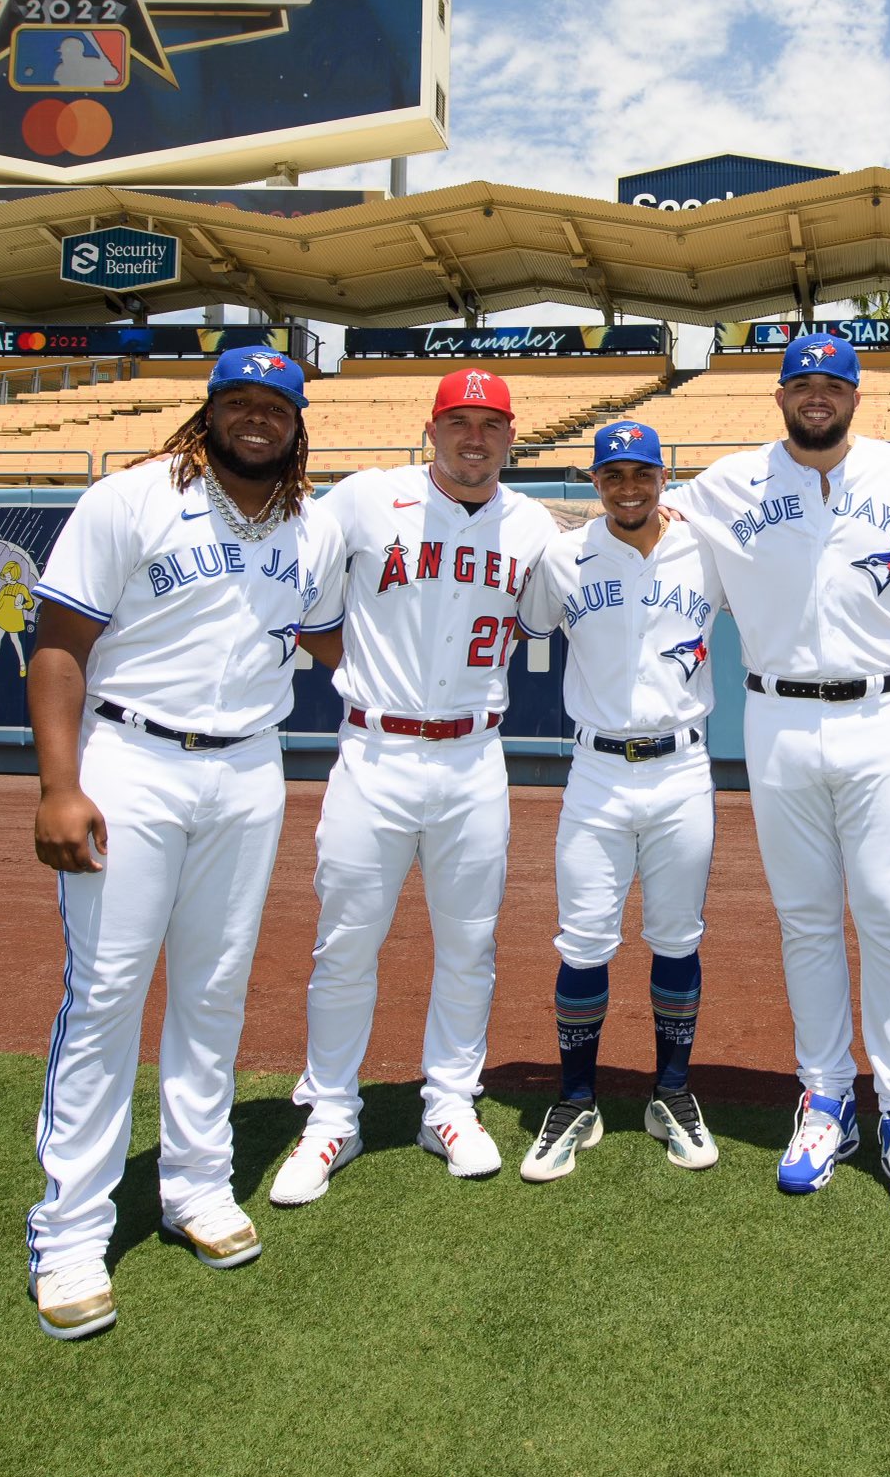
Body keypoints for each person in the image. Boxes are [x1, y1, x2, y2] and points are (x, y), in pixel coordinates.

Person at [20, 347, 339, 1341]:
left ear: (294, 420)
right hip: (132, 756)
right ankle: (69, 1231)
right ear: (209, 412)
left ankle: (197, 1184)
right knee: (108, 988)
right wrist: (60, 785)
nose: (257, 418)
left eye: (274, 405)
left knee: (214, 983)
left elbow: (334, 640)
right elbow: (59, 643)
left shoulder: (313, 525)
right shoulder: (132, 497)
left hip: (249, 765)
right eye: (237, 402)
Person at [669, 332, 890, 1224]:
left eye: (833, 383)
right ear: (781, 396)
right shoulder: (722, 485)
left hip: (882, 710)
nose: (817, 396)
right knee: (803, 919)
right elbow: (631, 516)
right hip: (777, 713)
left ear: (857, 396)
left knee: (889, 915)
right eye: (803, 384)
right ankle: (824, 1096)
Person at [271, 367, 558, 1202]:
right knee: (345, 943)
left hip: (475, 755)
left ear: (511, 438)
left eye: (491, 425)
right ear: (430, 429)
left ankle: (449, 1102)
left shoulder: (532, 520)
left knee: (470, 943)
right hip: (376, 751)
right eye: (459, 422)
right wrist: (363, 674)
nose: (475, 437)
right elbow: (309, 612)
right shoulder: (364, 498)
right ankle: (330, 1116)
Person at [508, 421, 724, 1181]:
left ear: (664, 476)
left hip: (680, 768)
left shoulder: (709, 548)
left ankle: (670, 1092)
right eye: (612, 476)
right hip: (596, 770)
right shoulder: (563, 557)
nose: (627, 488)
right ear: (594, 483)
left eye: (641, 474)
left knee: (676, 936)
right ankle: (574, 1100)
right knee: (584, 940)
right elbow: (529, 620)